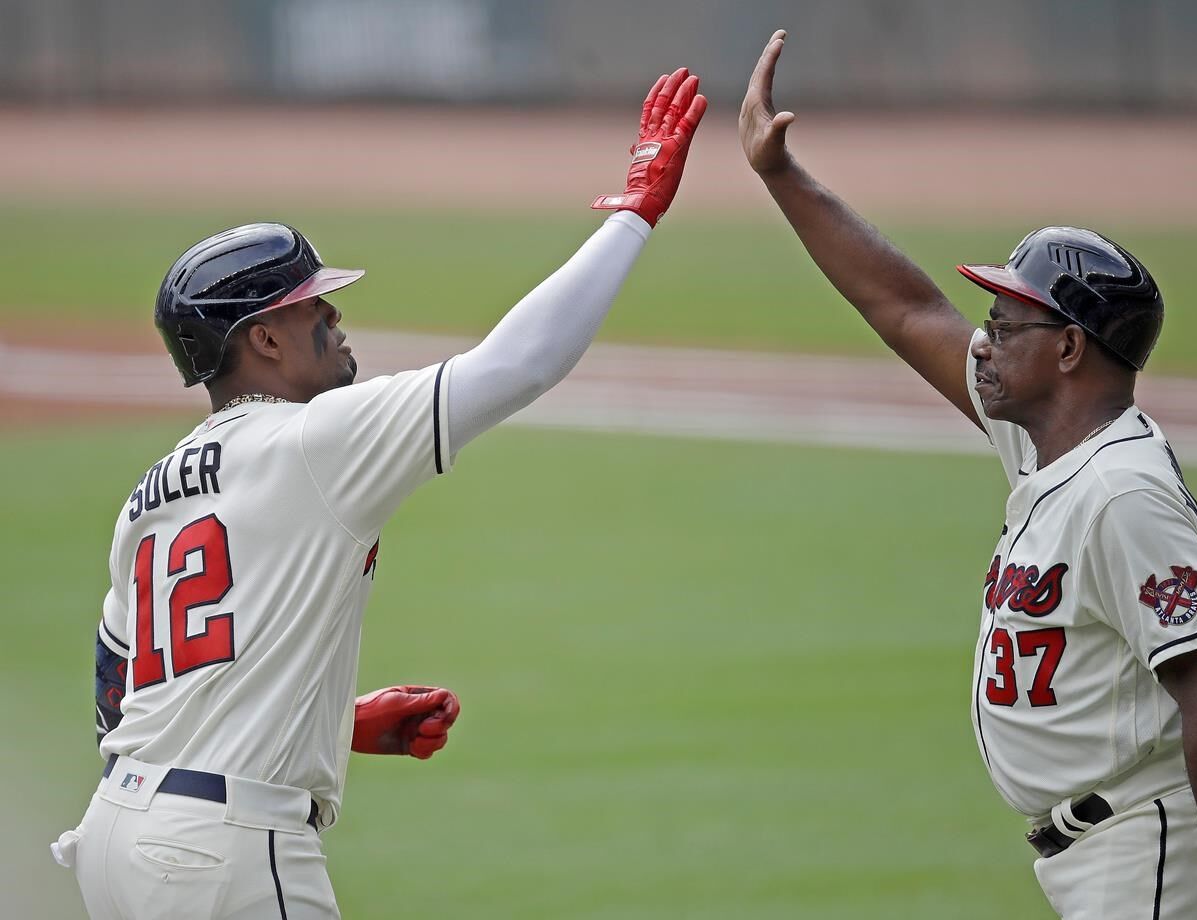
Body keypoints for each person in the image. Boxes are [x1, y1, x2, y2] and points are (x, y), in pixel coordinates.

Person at [54, 67, 707, 919]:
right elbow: (519, 364)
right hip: (224, 855)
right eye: (310, 307)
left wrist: (331, 725)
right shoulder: (313, 441)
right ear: (264, 342)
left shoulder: (150, 495)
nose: (334, 318)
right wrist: (635, 215)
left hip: (116, 842)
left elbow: (123, 695)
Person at [739, 29, 1197, 920]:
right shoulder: (1043, 443)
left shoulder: (1123, 493)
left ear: (1070, 349)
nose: (982, 339)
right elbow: (904, 307)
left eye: (1008, 323)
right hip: (1094, 854)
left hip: (1145, 849)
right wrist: (781, 177)